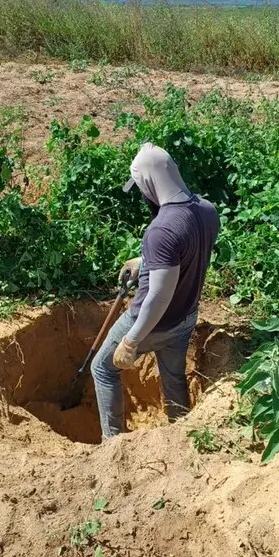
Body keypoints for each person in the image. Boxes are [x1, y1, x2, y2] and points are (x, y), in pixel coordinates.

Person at [91, 142, 219, 441]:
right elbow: (189, 253)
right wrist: (146, 262)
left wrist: (131, 340)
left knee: (103, 369)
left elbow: (158, 296)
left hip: (152, 322)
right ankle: (183, 436)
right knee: (173, 378)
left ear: (148, 182)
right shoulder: (208, 210)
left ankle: (112, 445)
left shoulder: (161, 229)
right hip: (185, 317)